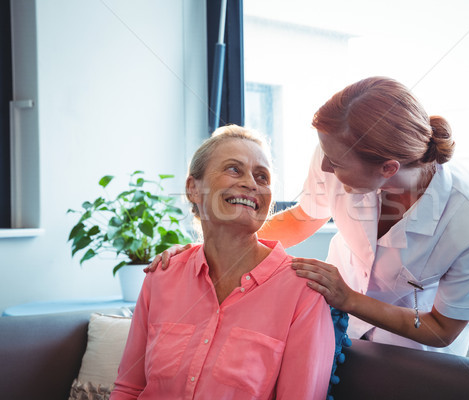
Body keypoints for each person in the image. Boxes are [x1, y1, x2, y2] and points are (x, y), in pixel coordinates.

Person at [149, 76, 469, 357]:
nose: (325, 166)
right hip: (337, 331)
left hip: (414, 354)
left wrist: (347, 297)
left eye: (337, 163)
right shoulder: (336, 147)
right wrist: (206, 253)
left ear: (388, 168)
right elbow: (304, 218)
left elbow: (441, 329)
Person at [111, 125, 334, 399]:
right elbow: (128, 388)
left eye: (262, 177)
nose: (251, 183)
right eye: (234, 169)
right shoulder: (162, 275)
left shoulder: (303, 291)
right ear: (193, 188)